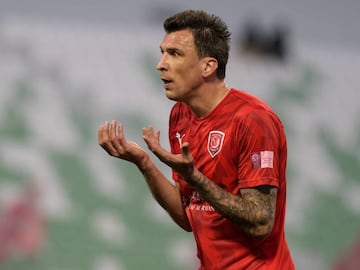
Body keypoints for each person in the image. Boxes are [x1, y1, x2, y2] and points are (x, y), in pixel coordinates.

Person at [98, 9, 295, 270]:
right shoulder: (180, 116)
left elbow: (260, 223)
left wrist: (195, 178)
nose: (161, 63)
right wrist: (144, 163)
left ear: (208, 66)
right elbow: (188, 217)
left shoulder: (253, 120)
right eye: (162, 52)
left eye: (175, 54)